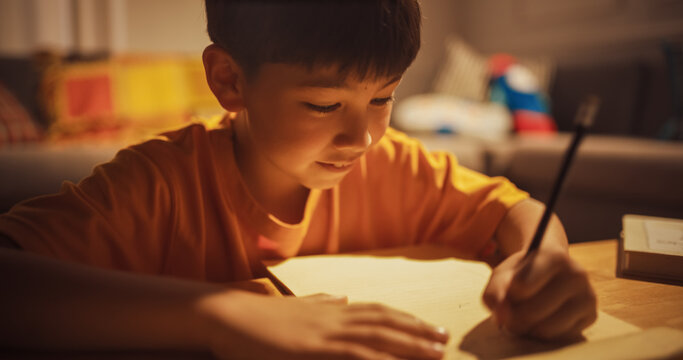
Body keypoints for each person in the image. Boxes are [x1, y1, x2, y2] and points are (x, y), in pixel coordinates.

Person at [0, 1, 597, 359]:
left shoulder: (394, 166)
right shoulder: (160, 186)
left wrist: (541, 261)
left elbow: (513, 210)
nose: (362, 140)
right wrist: (220, 314)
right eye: (321, 105)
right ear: (230, 81)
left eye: (384, 98)